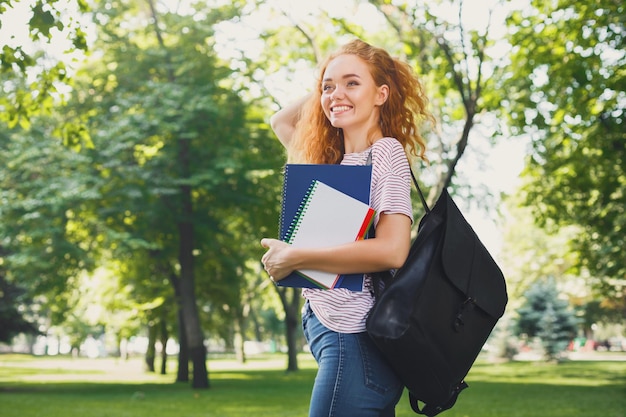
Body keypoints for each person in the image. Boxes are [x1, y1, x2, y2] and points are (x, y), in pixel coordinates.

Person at [260, 38, 433, 417]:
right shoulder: (333, 163)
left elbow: (393, 250)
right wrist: (334, 87)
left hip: (354, 339)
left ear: (381, 94)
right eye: (328, 86)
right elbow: (281, 122)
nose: (337, 93)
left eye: (353, 83)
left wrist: (296, 256)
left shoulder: (384, 153)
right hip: (333, 334)